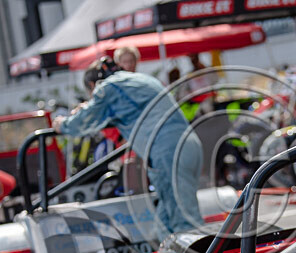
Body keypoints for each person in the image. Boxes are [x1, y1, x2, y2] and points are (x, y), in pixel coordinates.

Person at [53, 57, 202, 239]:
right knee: (165, 227)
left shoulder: (108, 87)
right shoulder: (142, 79)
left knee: (184, 224)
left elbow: (83, 122)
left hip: (168, 153)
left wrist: (62, 124)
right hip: (188, 145)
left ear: (93, 84)